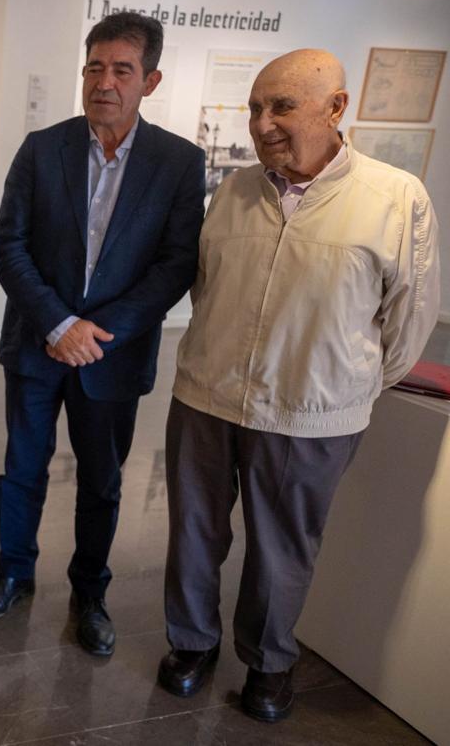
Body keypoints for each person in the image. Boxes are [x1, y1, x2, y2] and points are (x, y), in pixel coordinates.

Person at [158, 48, 439, 722]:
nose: (262, 123)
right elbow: (206, 288)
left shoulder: (395, 199)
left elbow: (408, 323)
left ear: (335, 107)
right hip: (206, 396)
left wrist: (339, 384)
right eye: (255, 108)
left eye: (281, 106)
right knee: (194, 533)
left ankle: (267, 663)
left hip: (311, 414)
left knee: (283, 548)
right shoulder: (232, 191)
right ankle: (192, 644)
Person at [0, 12, 205, 658]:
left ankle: (88, 594)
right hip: (37, 346)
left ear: (149, 80)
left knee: (101, 480)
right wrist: (58, 322)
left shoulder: (178, 163)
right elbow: (8, 244)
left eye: (121, 70)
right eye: (94, 67)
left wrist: (97, 333)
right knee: (21, 469)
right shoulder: (42, 147)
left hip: (112, 356)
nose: (104, 81)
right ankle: (13, 572)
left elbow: (175, 265)